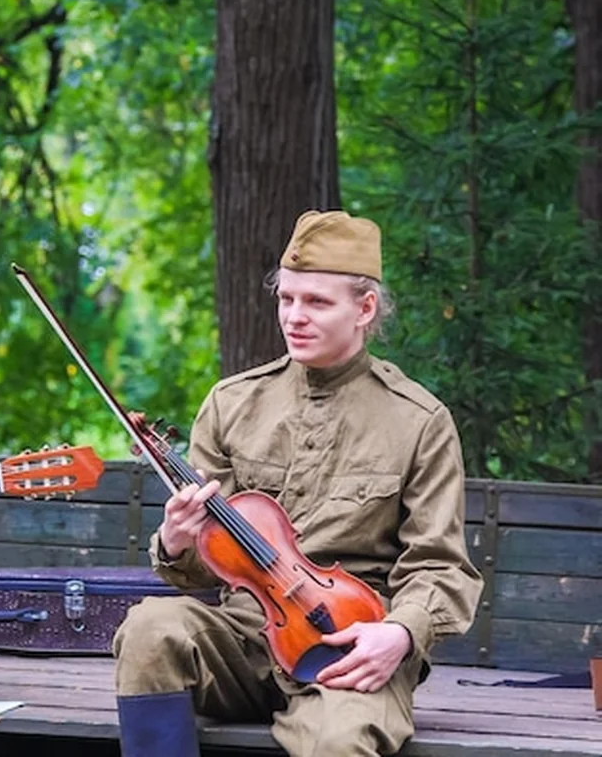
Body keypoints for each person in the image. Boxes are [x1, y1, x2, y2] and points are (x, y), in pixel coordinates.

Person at [112, 210, 483, 757]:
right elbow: (205, 567)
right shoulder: (233, 403)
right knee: (148, 628)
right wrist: (176, 541)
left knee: (340, 740)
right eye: (287, 299)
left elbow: (440, 566)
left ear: (365, 308)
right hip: (245, 635)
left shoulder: (418, 420)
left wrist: (400, 634)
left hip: (350, 645)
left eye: (316, 302)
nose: (294, 317)